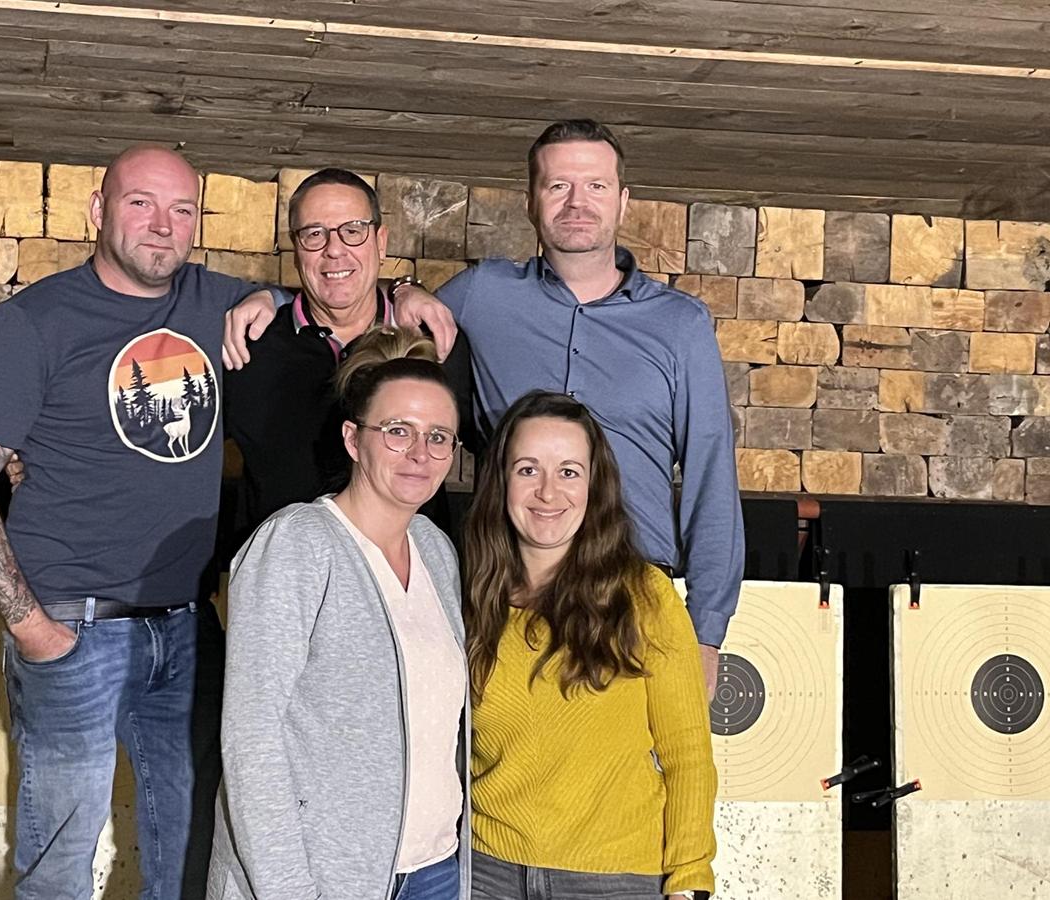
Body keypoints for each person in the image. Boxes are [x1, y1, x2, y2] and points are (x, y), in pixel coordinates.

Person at [224, 120, 743, 695]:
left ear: (623, 200)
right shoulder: (482, 294)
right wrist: (277, 298)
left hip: (631, 596)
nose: (577, 203)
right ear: (531, 202)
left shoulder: (680, 325)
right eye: (557, 186)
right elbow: (355, 300)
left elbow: (711, 478)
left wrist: (707, 632)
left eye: (595, 186)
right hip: (509, 599)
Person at [0, 144, 268, 900]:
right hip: (73, 628)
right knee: (60, 864)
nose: (163, 225)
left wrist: (269, 299)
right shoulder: (33, 324)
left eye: (183, 209)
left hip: (186, 627)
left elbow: (306, 296)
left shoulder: (213, 299)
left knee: (192, 852)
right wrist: (32, 629)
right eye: (141, 203)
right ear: (98, 210)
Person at [209, 327, 470, 900]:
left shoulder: (435, 550)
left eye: (438, 437)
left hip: (433, 870)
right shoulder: (298, 544)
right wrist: (289, 890)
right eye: (397, 431)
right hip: (324, 878)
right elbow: (252, 740)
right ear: (353, 439)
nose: (419, 453)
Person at [463, 390, 716, 900]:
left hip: (614, 878)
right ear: (501, 480)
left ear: (594, 485)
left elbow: (687, 752)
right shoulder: (469, 593)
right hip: (485, 871)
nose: (548, 492)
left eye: (569, 472)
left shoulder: (645, 597)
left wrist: (690, 878)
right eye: (528, 470)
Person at [221, 167, 472, 543]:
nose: (334, 249)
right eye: (314, 234)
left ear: (381, 242)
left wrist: (405, 286)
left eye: (353, 230)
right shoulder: (248, 345)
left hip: (405, 566)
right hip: (282, 570)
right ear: (295, 249)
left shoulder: (436, 342)